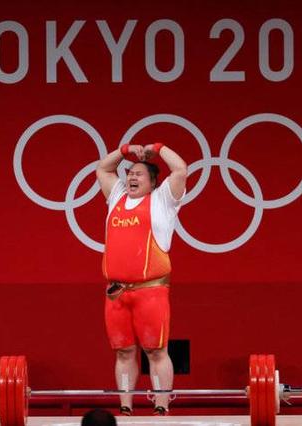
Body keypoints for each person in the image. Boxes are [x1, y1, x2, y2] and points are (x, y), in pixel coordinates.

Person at [96, 142, 187, 416]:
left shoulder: (163, 201)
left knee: (156, 351)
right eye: (130, 173)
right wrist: (125, 150)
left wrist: (157, 148)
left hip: (151, 292)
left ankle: (161, 406)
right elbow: (103, 169)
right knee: (123, 352)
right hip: (116, 293)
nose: (132, 178)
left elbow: (180, 169)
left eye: (139, 174)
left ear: (153, 182)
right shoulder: (117, 196)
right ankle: (125, 407)